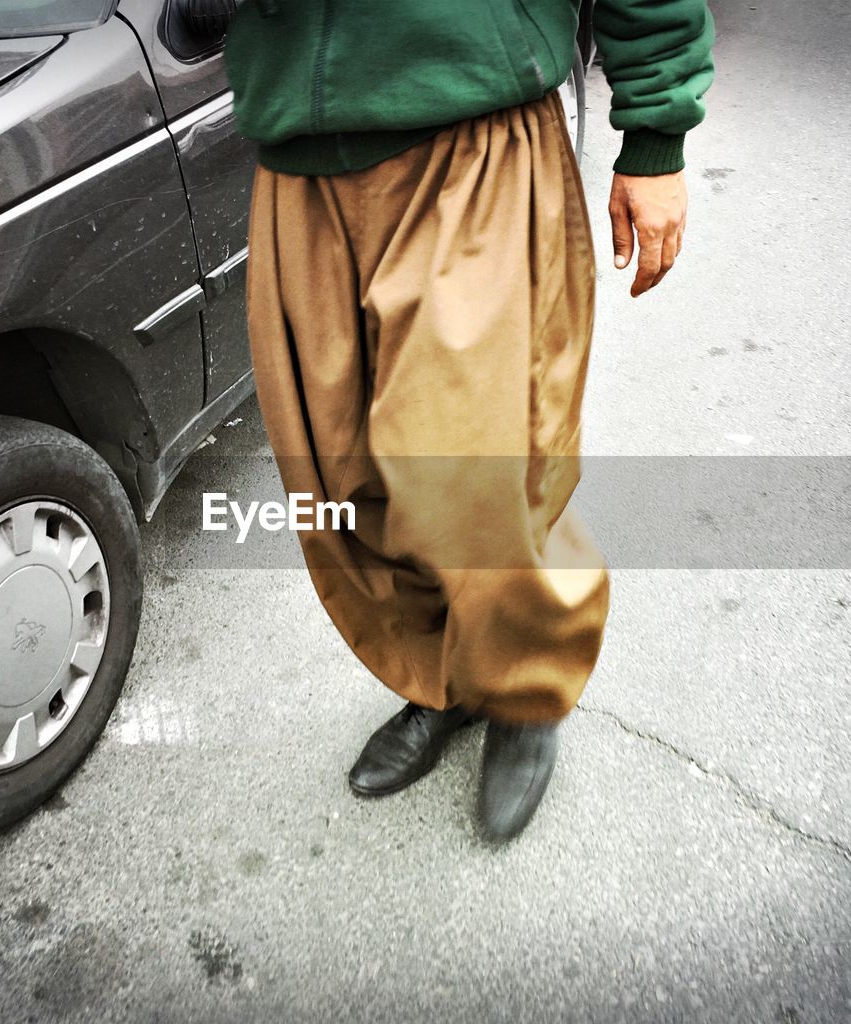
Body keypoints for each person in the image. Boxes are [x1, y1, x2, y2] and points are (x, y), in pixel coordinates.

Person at [221, 0, 714, 840]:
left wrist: (656, 131)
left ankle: (524, 688)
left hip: (470, 138)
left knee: (470, 474)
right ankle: (440, 676)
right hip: (295, 159)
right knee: (340, 473)